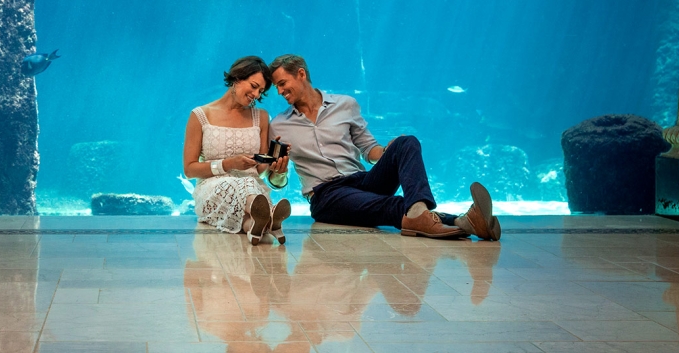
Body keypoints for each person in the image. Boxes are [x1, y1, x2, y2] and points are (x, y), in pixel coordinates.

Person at [267, 54, 500, 240]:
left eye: (282, 83)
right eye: (276, 87)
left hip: (361, 181)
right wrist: (278, 174)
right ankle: (464, 221)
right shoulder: (279, 124)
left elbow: (369, 150)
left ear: (301, 74)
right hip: (326, 195)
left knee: (406, 142)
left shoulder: (345, 105)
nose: (279, 91)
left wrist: (388, 152)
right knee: (391, 205)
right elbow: (275, 180)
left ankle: (421, 212)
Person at [183, 56, 293, 245]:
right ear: (237, 78)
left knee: (249, 206)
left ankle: (257, 225)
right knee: (242, 185)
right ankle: (269, 214)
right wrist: (228, 164)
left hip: (253, 185)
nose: (256, 94)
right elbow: (190, 170)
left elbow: (259, 171)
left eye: (260, 91)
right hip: (212, 190)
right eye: (253, 86)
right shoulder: (200, 115)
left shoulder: (261, 117)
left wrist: (272, 162)